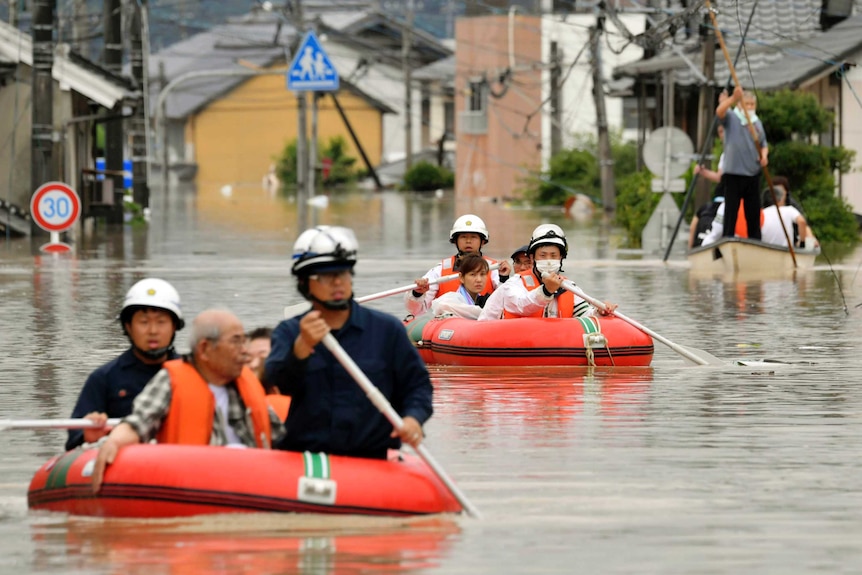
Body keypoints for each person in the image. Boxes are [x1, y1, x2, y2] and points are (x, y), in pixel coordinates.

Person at [266, 225, 432, 459]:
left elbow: (418, 385)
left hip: (370, 458)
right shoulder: (289, 332)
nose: (337, 282)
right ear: (304, 284)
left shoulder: (387, 330)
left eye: (343, 273)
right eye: (325, 276)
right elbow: (278, 385)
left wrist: (413, 418)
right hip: (306, 460)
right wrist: (301, 349)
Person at [91, 309, 286, 493]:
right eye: (236, 342)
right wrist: (114, 442)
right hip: (193, 485)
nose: (245, 351)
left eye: (244, 341)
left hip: (254, 483)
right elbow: (138, 422)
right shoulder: (171, 380)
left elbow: (280, 436)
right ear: (204, 349)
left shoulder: (247, 383)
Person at [66, 278, 184, 451]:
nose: (153, 331)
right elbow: (74, 440)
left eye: (161, 322)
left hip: (181, 462)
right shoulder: (104, 378)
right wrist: (88, 434)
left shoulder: (192, 374)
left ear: (174, 326)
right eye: (143, 322)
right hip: (124, 467)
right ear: (128, 327)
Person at [477, 224, 617, 321]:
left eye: (553, 255)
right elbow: (522, 306)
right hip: (510, 343)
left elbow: (584, 313)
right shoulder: (514, 283)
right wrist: (546, 291)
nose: (549, 261)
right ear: (532, 258)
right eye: (543, 255)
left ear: (561, 258)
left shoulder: (568, 286)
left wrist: (599, 312)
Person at [405, 214, 511, 317]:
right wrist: (417, 294)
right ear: (455, 241)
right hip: (449, 324)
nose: (468, 241)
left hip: (482, 323)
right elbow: (416, 311)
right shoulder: (440, 270)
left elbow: (506, 302)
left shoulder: (494, 268)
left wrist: (504, 279)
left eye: (473, 237)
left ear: (482, 242)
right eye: (463, 237)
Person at [716, 86, 769, 240]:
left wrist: (764, 156)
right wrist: (732, 98)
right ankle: (727, 238)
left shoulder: (757, 123)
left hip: (752, 173)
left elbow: (763, 144)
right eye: (747, 104)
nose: (750, 107)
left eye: (752, 104)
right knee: (731, 211)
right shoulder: (732, 117)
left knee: (752, 213)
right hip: (733, 173)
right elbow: (719, 112)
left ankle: (755, 241)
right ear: (740, 105)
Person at [430, 253, 490, 319]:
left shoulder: (483, 301)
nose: (479, 280)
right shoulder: (452, 300)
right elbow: (442, 306)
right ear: (461, 277)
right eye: (473, 274)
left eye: (482, 274)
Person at [761, 180, 815, 248]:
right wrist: (802, 243)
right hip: (785, 249)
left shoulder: (761, 212)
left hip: (765, 247)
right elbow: (802, 221)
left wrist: (810, 237)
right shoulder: (789, 209)